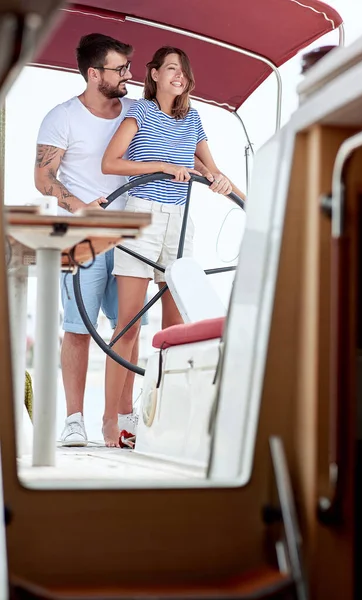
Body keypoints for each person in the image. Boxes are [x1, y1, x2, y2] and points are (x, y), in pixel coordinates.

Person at [101, 46, 244, 446]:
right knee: (128, 325)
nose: (179, 75)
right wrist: (161, 166)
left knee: (176, 327)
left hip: (180, 221)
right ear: (154, 74)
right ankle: (112, 421)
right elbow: (110, 163)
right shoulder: (139, 113)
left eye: (183, 70)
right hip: (141, 215)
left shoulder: (192, 119)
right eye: (171, 68)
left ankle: (163, 424)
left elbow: (213, 172)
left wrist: (247, 202)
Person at [34, 33, 144, 446]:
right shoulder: (61, 117)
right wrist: (82, 208)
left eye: (128, 68)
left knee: (128, 328)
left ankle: (120, 418)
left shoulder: (136, 111)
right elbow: (44, 179)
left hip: (133, 235)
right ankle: (74, 420)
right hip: (81, 236)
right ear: (94, 73)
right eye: (120, 69)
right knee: (78, 329)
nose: (128, 76)